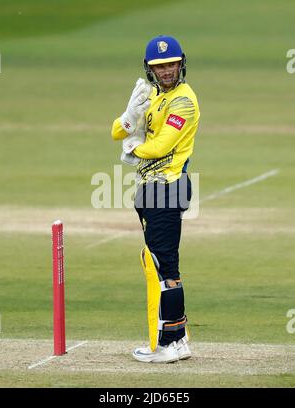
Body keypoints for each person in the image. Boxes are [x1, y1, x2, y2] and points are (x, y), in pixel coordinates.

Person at [111, 35, 200, 363]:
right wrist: (128, 117)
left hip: (168, 187)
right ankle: (178, 339)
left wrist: (135, 148)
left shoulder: (184, 101)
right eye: (159, 66)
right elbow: (116, 132)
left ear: (181, 64)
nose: (166, 71)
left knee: (162, 266)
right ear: (150, 69)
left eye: (171, 64)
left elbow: (161, 145)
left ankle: (165, 344)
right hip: (151, 188)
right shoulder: (151, 96)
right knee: (164, 265)